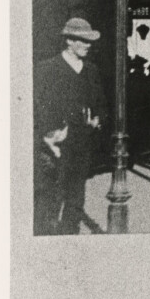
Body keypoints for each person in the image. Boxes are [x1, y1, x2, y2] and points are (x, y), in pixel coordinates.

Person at [33, 18, 107, 235]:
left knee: (76, 196)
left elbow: (101, 103)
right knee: (50, 197)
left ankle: (70, 235)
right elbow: (37, 105)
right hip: (54, 144)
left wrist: (98, 119)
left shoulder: (91, 70)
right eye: (84, 40)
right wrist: (50, 133)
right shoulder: (46, 69)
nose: (89, 45)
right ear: (69, 41)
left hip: (82, 143)